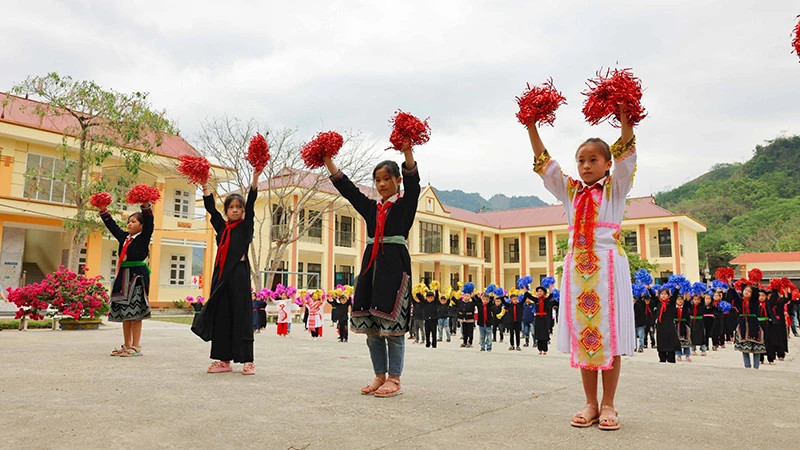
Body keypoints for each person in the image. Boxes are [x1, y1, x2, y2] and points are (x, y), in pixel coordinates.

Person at [528, 104, 636, 430]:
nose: (586, 165)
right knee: (588, 337)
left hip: (608, 266)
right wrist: (531, 124)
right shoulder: (570, 190)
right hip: (579, 268)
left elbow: (628, 154)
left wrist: (624, 115)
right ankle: (590, 403)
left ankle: (609, 404)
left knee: (610, 337)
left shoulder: (616, 188)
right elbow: (545, 164)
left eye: (593, 160)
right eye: (581, 160)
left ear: (607, 163)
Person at [324, 141, 418, 398]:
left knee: (393, 327)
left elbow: (413, 182)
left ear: (397, 180)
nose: (382, 184)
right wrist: (327, 159)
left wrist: (407, 150)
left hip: (395, 267)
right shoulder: (371, 209)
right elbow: (348, 189)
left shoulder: (405, 205)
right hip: (370, 267)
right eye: (377, 180)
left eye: (387, 179)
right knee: (372, 328)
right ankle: (379, 375)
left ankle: (395, 378)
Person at [192, 167, 261, 375]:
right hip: (221, 277)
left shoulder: (245, 226)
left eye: (238, 207)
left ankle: (248, 361)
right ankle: (224, 360)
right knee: (222, 317)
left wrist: (256, 177)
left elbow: (252, 202)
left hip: (239, 276)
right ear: (227, 210)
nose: (235, 210)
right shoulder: (222, 228)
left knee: (242, 317)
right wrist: (205, 186)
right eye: (231, 207)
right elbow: (212, 211)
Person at [100, 201, 154, 357]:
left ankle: (136, 346)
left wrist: (145, 206)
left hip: (137, 277)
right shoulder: (124, 238)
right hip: (123, 275)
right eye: (128, 222)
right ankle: (126, 345)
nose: (129, 224)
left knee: (136, 312)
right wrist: (104, 211)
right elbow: (112, 227)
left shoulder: (144, 237)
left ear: (141, 226)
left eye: (133, 222)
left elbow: (149, 222)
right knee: (125, 312)